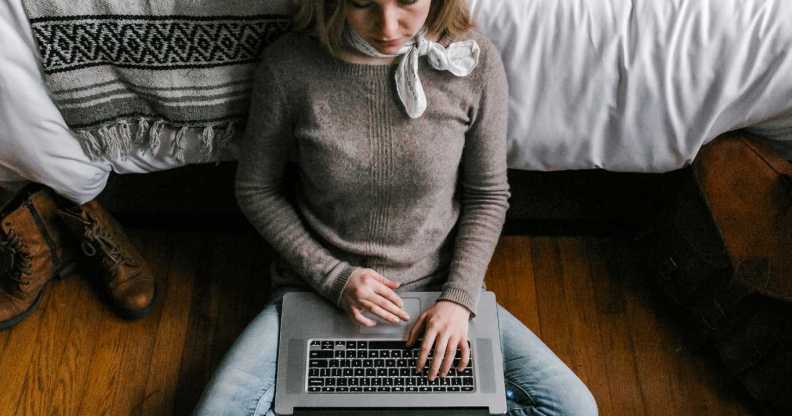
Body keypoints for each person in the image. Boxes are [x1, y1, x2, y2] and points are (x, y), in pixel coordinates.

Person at [194, 0, 598, 414]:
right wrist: (335, 278)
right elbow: (256, 189)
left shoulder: (475, 61)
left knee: (572, 407)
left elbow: (488, 195)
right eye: (362, 3)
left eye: (406, 1)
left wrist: (458, 299)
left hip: (437, 286)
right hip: (317, 289)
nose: (388, 26)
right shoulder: (289, 66)